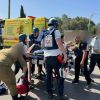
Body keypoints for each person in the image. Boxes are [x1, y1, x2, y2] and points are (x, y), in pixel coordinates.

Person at [41, 18, 68, 100]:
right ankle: (60, 95)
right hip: (56, 57)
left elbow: (42, 45)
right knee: (61, 76)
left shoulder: (44, 32)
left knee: (48, 76)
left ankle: (50, 93)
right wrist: (65, 54)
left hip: (46, 57)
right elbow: (59, 43)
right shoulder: (56, 31)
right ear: (56, 24)